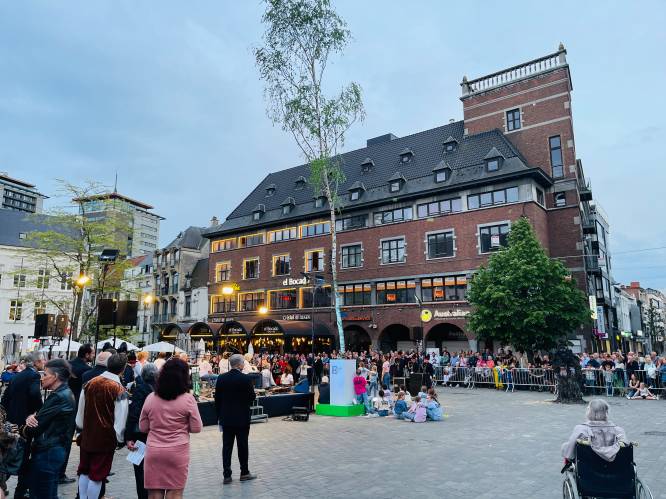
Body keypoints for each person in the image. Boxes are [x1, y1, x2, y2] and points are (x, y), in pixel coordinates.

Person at [139, 359, 202, 499]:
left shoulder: (150, 398)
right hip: (178, 451)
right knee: (175, 492)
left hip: (154, 451)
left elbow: (143, 427)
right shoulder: (188, 399)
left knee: (154, 493)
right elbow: (197, 428)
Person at [76, 353, 129, 499]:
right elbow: (121, 418)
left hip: (87, 434)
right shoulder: (119, 389)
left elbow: (81, 409)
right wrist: (119, 439)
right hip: (105, 438)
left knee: (84, 470)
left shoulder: (89, 383)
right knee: (97, 474)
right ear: (123, 369)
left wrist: (79, 430)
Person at [20, 359, 76, 499]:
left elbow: (35, 428)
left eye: (45, 374)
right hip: (53, 450)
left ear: (55, 376)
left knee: (41, 494)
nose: (42, 378)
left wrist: (25, 426)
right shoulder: (64, 393)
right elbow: (40, 419)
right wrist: (33, 418)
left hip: (48, 452)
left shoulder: (58, 396)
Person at [0, 351, 45, 499]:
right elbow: (34, 394)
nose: (44, 363)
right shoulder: (34, 375)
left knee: (9, 454)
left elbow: (5, 399)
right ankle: (20, 491)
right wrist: (38, 410)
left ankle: (4, 485)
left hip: (12, 421)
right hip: (24, 423)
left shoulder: (17, 376)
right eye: (42, 360)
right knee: (22, 456)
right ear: (37, 362)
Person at [214, 354, 257, 484]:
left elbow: (217, 400)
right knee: (242, 446)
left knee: (226, 447)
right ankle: (244, 472)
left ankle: (227, 475)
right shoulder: (246, 379)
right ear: (239, 364)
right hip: (242, 418)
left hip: (226, 418)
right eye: (243, 362)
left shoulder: (221, 378)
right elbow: (252, 397)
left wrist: (219, 417)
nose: (244, 364)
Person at [60, 344, 94, 485]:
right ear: (86, 355)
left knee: (62, 438)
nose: (93, 356)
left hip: (63, 402)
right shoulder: (86, 370)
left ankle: (58, 471)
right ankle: (60, 474)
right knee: (67, 440)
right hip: (75, 405)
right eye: (92, 353)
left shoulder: (68, 364)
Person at [125, 363, 158, 499]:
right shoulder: (161, 390)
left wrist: (128, 437)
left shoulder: (140, 389)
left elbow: (133, 414)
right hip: (156, 436)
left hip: (140, 436)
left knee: (140, 473)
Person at [561, 399, 628, 462]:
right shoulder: (618, 430)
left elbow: (569, 453)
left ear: (590, 411)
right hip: (615, 467)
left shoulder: (581, 429)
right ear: (606, 412)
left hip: (588, 466)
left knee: (566, 446)